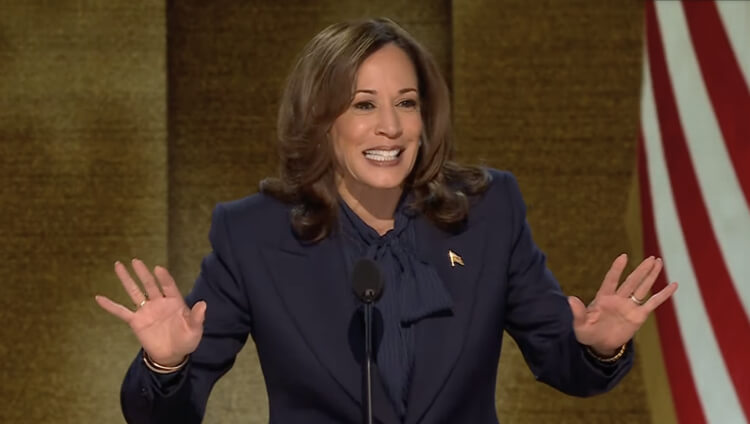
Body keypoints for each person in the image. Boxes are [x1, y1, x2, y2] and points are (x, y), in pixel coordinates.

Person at [95, 17, 678, 424]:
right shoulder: (253, 234)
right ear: (321, 118)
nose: (391, 128)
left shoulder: (489, 211)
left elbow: (563, 364)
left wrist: (598, 349)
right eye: (363, 105)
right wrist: (165, 363)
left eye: (406, 102)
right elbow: (168, 412)